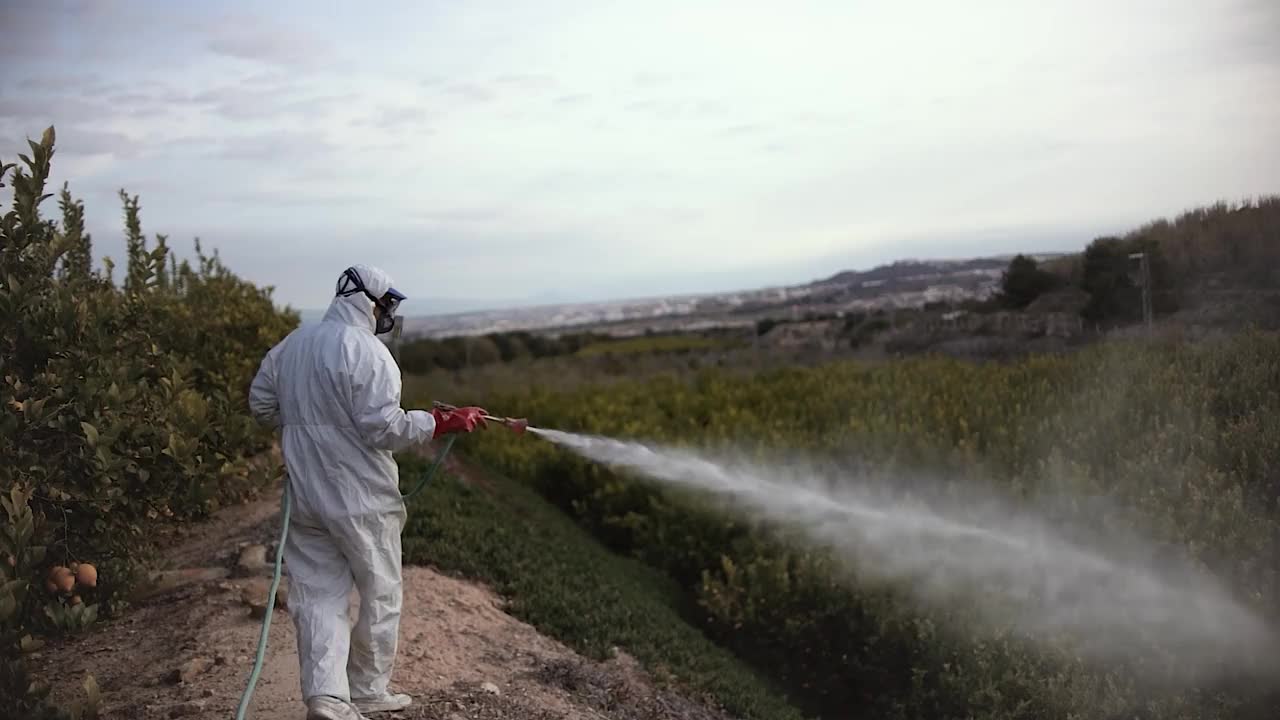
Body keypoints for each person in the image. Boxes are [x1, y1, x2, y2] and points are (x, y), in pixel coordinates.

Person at [249, 264, 487, 720]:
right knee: (381, 591)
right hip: (362, 497)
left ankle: (326, 698)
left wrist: (306, 423)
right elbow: (385, 428)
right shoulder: (368, 352)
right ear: (367, 302)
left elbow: (261, 405)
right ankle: (367, 690)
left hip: (305, 496)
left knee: (318, 593)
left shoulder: (291, 345)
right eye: (387, 305)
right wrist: (440, 421)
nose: (389, 315)